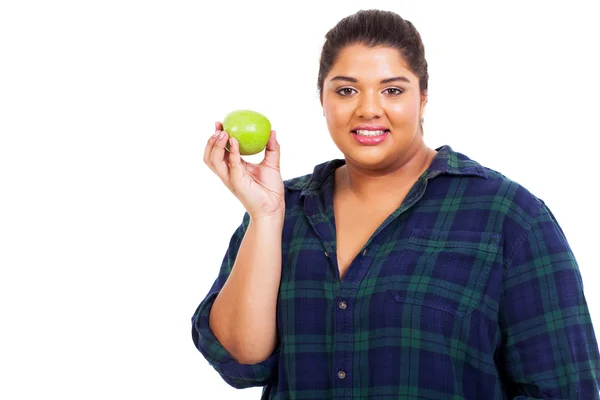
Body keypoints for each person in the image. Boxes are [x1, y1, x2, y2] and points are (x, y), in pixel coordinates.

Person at [192, 9, 600, 399]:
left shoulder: (508, 218)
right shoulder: (284, 212)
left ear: (423, 98)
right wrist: (264, 216)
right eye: (347, 89)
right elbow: (241, 362)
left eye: (392, 89)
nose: (369, 108)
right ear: (322, 99)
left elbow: (566, 390)